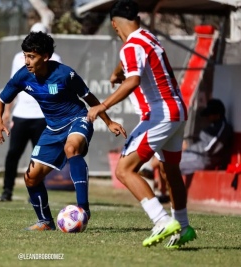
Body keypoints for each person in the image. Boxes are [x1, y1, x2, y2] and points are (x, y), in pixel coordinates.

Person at [87, 0, 196, 248]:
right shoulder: (147, 37)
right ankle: (184, 226)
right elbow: (131, 58)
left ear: (114, 25)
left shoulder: (130, 47)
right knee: (171, 171)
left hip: (159, 114)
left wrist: (102, 106)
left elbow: (133, 80)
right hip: (177, 111)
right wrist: (117, 72)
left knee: (124, 170)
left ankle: (161, 220)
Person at [0, 31, 126, 230]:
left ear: (45, 57)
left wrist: (108, 122)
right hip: (52, 128)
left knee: (72, 148)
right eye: (25, 55)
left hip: (77, 119)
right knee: (31, 177)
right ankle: (45, 221)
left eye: (32, 56)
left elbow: (89, 99)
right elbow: (1, 100)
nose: (27, 61)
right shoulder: (22, 76)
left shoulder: (65, 74)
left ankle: (83, 209)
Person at [0, 22, 62, 202]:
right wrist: (7, 111)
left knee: (39, 158)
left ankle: (34, 194)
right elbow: (12, 86)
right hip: (22, 114)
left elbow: (58, 87)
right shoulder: (20, 57)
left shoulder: (54, 58)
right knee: (13, 154)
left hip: (42, 116)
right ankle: (6, 191)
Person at [181, 98, 233, 189]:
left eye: (209, 114)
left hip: (204, 159)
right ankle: (163, 192)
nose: (207, 117)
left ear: (217, 114)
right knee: (164, 160)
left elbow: (209, 148)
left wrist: (188, 148)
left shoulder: (223, 128)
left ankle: (168, 194)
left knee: (169, 163)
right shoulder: (213, 125)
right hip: (195, 155)